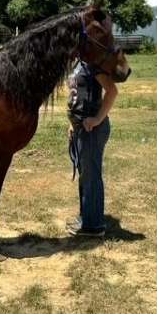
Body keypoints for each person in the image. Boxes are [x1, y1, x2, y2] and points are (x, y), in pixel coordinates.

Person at [66, 59, 118, 238]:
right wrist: (72, 124)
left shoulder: (92, 63)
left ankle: (94, 225)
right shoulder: (76, 63)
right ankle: (87, 217)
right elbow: (76, 95)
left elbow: (112, 91)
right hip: (80, 128)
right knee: (86, 175)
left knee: (91, 175)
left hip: (92, 129)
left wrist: (97, 119)